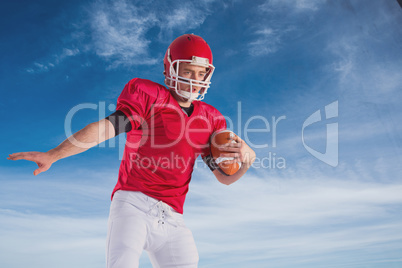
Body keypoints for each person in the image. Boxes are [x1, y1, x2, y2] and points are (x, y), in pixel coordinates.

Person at [7, 34, 256, 268]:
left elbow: (224, 178)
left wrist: (245, 162)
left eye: (200, 73)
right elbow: (104, 129)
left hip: (173, 217)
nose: (194, 80)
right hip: (133, 205)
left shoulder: (211, 119)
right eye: (187, 71)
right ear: (171, 69)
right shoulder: (149, 96)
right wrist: (54, 154)